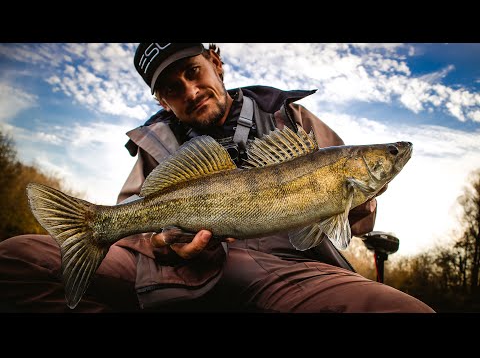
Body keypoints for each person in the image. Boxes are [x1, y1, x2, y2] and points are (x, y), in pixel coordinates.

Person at [0, 43, 435, 313]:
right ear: (161, 100)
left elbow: (356, 226)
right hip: (178, 275)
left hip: (289, 269)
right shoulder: (156, 142)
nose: (189, 90)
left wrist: (363, 204)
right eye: (172, 87)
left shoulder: (291, 118)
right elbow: (138, 226)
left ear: (215, 60)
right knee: (16, 260)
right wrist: (160, 243)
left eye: (193, 71)